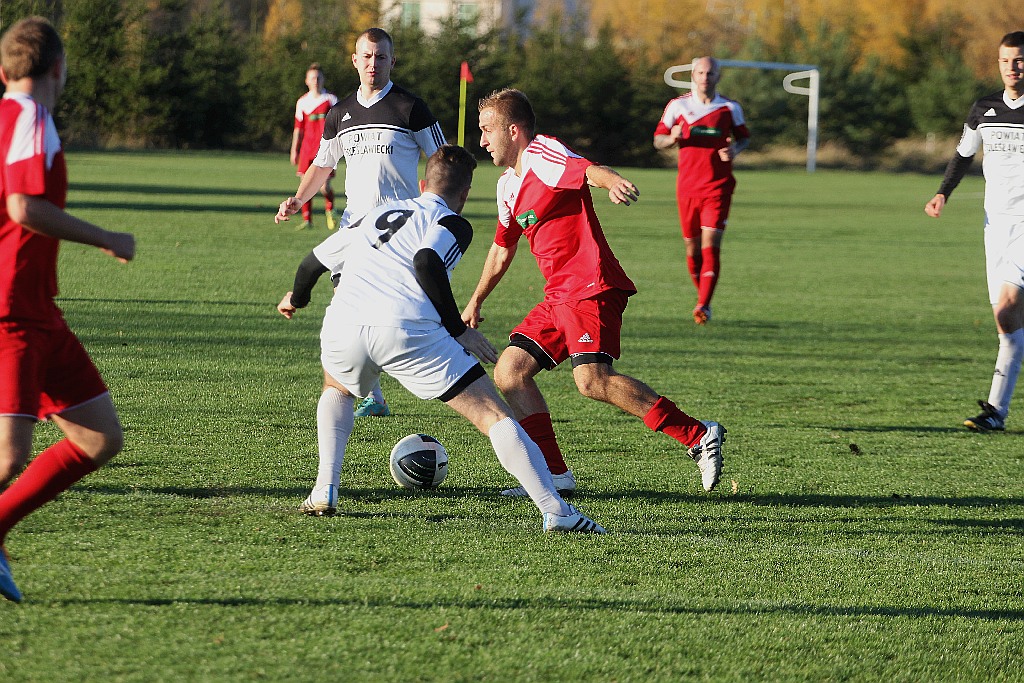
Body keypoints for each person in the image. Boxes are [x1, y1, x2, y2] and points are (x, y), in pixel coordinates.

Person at [277, 145, 604, 534]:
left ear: (421, 183)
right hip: (406, 327)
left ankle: (323, 490)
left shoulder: (376, 214)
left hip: (344, 322)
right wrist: (458, 329)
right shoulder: (453, 222)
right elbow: (426, 261)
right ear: (464, 194)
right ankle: (557, 511)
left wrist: (297, 298)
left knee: (338, 389)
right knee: (493, 416)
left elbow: (311, 263)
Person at [462, 88, 725, 498]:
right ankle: (554, 474)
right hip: (558, 297)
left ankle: (697, 434)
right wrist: (476, 299)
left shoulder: (542, 153)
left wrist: (612, 181)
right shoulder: (506, 187)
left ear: (513, 131)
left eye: (486, 130)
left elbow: (585, 169)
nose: (481, 141)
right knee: (510, 373)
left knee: (592, 381)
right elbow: (502, 247)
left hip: (589, 286)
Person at [0, 16, 136, 603]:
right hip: (11, 307)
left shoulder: (16, 116)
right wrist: (105, 236)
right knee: (7, 456)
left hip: (38, 308)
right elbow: (24, 206)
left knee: (99, 438)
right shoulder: (28, 115)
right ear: (59, 67)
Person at [276, 27, 447, 418]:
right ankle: (371, 395)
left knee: (394, 314)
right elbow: (323, 164)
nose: (373, 64)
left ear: (392, 60)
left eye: (381, 57)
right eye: (367, 57)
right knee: (343, 307)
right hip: (354, 228)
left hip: (399, 231)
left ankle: (441, 377)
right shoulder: (339, 113)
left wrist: (437, 206)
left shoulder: (411, 107)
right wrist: (297, 199)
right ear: (355, 60)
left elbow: (443, 160)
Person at [925, 31, 1024, 432]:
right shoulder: (984, 108)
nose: (1012, 67)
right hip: (994, 225)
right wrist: (942, 193)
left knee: (1006, 310)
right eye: (1005, 60)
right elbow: (964, 154)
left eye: (1019, 60)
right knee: (1008, 325)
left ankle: (996, 411)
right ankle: (996, 413)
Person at [654, 56, 750, 325]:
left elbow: (744, 138)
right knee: (692, 247)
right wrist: (671, 138)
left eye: (710, 73)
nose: (705, 77)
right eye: (700, 73)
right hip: (687, 188)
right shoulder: (678, 106)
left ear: (718, 76)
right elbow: (658, 140)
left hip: (718, 187)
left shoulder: (730, 108)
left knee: (711, 244)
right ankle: (703, 295)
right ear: (693, 75)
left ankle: (703, 304)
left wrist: (734, 150)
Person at [289, 63, 339, 231]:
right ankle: (307, 219)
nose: (316, 81)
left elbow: (337, 125)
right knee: (305, 183)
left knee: (324, 186)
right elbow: (298, 128)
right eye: (312, 78)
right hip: (307, 149)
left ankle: (330, 210)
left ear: (323, 79)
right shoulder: (302, 102)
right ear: (307, 81)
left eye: (318, 77)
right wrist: (294, 149)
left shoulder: (331, 100)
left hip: (325, 148)